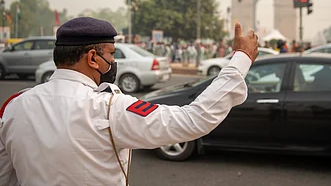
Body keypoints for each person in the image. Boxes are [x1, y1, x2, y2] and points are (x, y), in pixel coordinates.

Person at [0, 17, 258, 185]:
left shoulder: (14, 106)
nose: (113, 62)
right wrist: (241, 59)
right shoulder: (108, 108)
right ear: (92, 58)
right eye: (111, 54)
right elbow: (193, 119)